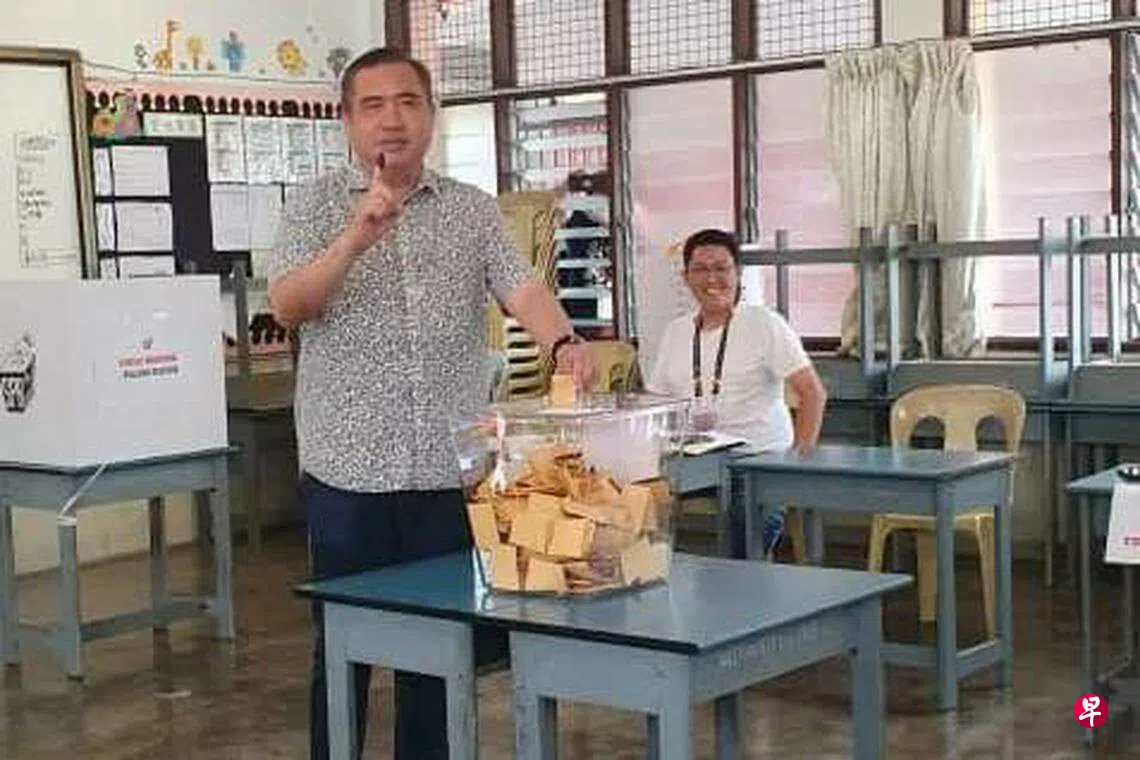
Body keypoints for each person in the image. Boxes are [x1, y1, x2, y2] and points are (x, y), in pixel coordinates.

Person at [266, 47, 596, 760]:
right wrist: (357, 236)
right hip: (348, 473)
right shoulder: (315, 205)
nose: (393, 119)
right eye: (374, 105)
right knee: (344, 646)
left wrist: (564, 341)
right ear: (347, 120)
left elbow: (521, 286)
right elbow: (289, 305)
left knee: (441, 650)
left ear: (431, 115)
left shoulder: (470, 209)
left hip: (447, 470)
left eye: (408, 102)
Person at [647, 228, 826, 557]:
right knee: (632, 502)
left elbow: (812, 393)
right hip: (695, 459)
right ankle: (653, 577)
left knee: (743, 532)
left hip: (758, 460)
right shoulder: (675, 332)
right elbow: (655, 404)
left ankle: (741, 585)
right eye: (700, 269)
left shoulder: (765, 324)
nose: (711, 279)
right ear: (686, 277)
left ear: (738, 273)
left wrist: (797, 464)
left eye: (721, 268)